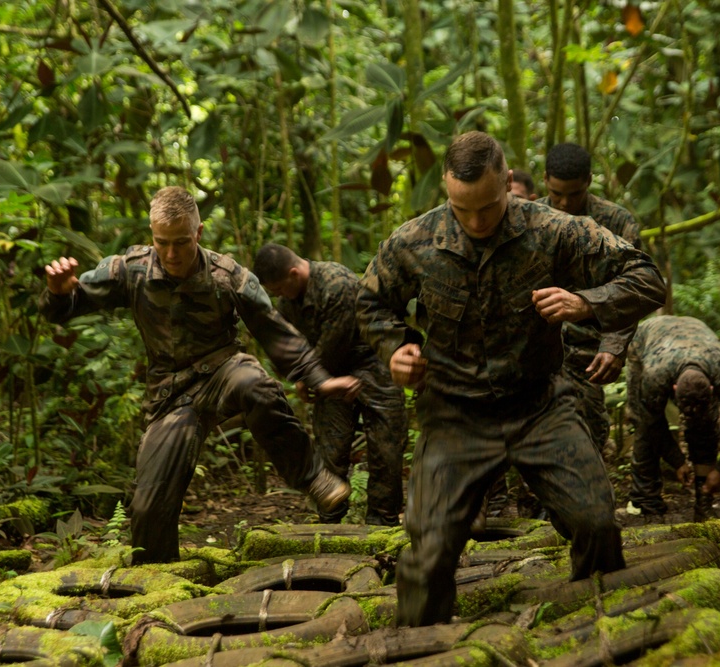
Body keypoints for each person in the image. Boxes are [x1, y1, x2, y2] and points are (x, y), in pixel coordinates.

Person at [356, 131, 666, 627]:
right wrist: (397, 349)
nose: (477, 222)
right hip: (454, 413)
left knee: (596, 523)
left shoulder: (554, 229)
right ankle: (422, 647)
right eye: (463, 209)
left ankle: (596, 630)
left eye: (489, 207)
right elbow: (370, 303)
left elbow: (648, 279)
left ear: (508, 182)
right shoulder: (413, 242)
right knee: (428, 550)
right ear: (446, 189)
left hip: (538, 406)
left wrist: (587, 303)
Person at [40, 187, 358, 564]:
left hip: (223, 370)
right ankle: (159, 579)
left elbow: (276, 334)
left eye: (181, 242)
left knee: (255, 385)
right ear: (151, 235)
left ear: (199, 233)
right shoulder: (131, 270)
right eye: (162, 243)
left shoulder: (229, 276)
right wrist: (58, 293)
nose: (171, 254)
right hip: (170, 395)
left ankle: (312, 478)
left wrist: (320, 379)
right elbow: (68, 306)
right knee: (148, 508)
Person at [253, 244, 408, 526]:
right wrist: (304, 378)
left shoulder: (336, 283)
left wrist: (311, 376)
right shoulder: (288, 303)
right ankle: (329, 522)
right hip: (329, 377)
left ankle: (382, 522)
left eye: (278, 289)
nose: (278, 296)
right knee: (331, 453)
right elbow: (289, 346)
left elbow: (335, 343)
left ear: (293, 273)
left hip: (372, 367)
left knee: (386, 450)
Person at [537, 142, 643, 453]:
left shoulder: (617, 222)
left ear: (589, 181)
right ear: (545, 180)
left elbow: (633, 288)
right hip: (537, 347)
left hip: (588, 349)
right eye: (557, 194)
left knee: (589, 437)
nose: (565, 202)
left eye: (574, 193)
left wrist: (614, 345)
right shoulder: (529, 219)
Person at [626, 316, 720, 523]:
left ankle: (704, 500)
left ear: (712, 389)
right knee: (643, 422)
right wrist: (677, 461)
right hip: (646, 339)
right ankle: (645, 500)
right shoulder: (655, 375)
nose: (688, 414)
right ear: (673, 389)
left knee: (705, 424)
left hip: (697, 337)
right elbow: (652, 425)